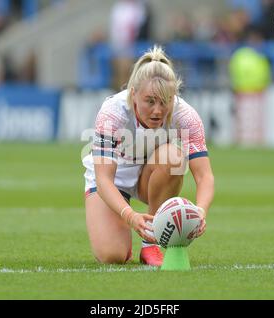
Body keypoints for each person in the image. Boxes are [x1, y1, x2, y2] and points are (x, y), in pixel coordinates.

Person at [82, 46, 215, 266]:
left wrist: (201, 210)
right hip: (113, 181)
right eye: (150, 101)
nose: (158, 111)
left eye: (165, 101)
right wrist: (129, 215)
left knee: (174, 157)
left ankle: (150, 242)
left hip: (150, 176)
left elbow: (204, 176)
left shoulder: (186, 115)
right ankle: (125, 235)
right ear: (133, 93)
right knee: (112, 256)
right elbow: (104, 178)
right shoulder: (112, 112)